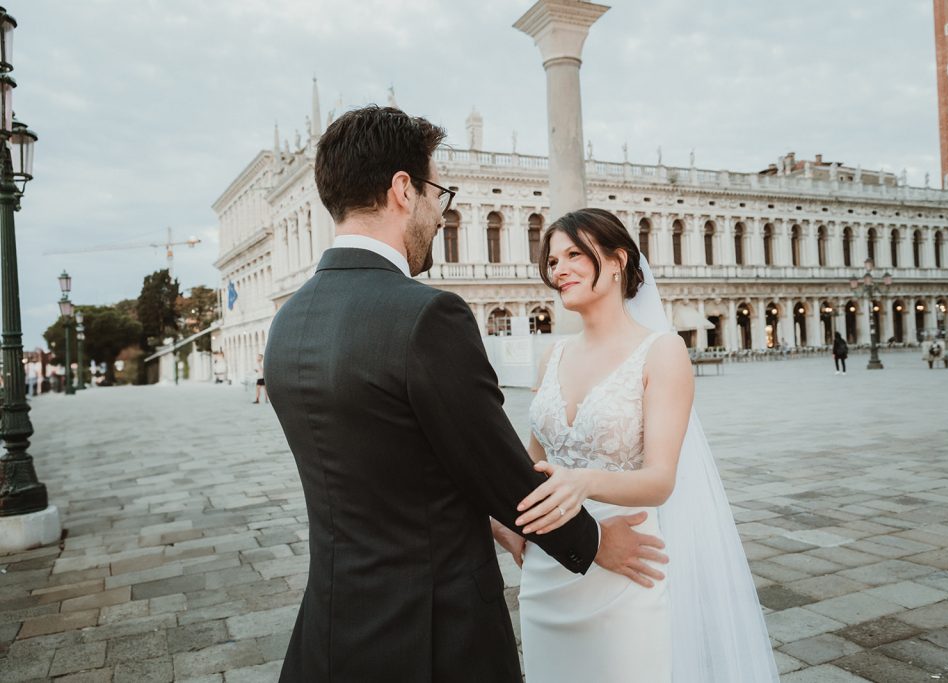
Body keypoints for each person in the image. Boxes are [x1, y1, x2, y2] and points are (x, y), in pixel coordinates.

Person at [263, 106, 665, 683]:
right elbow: (495, 463)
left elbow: (395, 456)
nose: (437, 211)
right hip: (434, 630)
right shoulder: (426, 314)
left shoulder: (290, 321)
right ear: (403, 189)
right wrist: (593, 541)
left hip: (332, 626)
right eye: (435, 193)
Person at [512, 208, 779, 682]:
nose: (559, 270)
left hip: (626, 565)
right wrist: (508, 526)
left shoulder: (662, 351)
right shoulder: (551, 356)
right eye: (553, 260)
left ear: (616, 261)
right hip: (547, 570)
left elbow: (660, 480)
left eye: (574, 254)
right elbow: (532, 466)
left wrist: (582, 482)